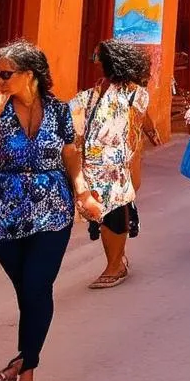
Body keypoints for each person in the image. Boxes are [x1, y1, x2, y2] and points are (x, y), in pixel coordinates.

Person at [0, 41, 104, 381]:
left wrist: (82, 191)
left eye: (6, 74)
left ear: (30, 74)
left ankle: (26, 380)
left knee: (36, 287)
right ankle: (20, 363)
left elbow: (69, 152)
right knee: (29, 293)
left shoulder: (59, 110)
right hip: (4, 214)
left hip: (53, 211)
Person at [70, 39, 160, 289]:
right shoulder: (92, 93)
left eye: (99, 56)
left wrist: (132, 164)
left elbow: (135, 127)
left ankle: (115, 266)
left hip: (117, 166)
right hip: (93, 165)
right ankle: (117, 259)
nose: (95, 61)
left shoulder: (133, 92)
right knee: (101, 216)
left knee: (113, 214)